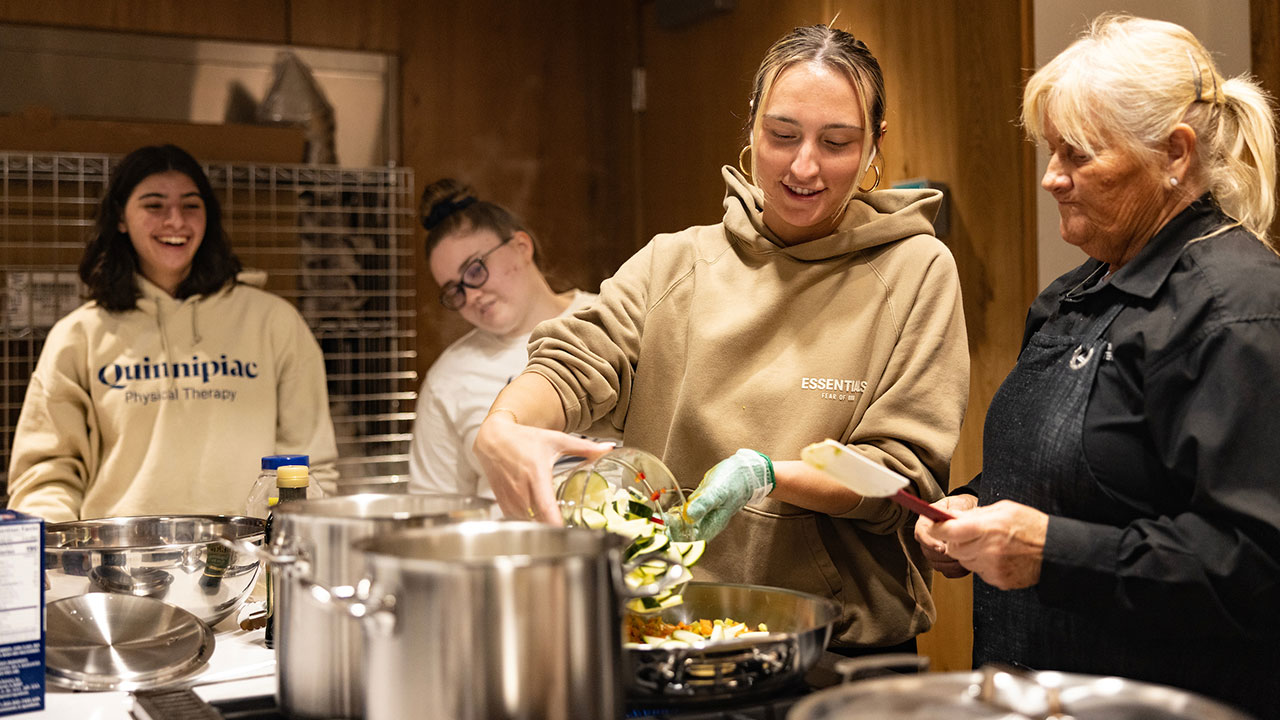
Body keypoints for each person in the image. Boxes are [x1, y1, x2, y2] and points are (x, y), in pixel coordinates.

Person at [473, 24, 970, 652]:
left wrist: (767, 475)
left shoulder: (915, 271)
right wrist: (506, 424)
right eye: (782, 135)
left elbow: (895, 481)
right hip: (673, 633)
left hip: (833, 646)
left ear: (875, 146)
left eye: (837, 142)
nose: (803, 166)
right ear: (752, 130)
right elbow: (573, 364)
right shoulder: (675, 263)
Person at [915, 15, 1280, 716]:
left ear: (1174, 154)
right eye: (1050, 152)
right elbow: (1087, 477)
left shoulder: (1238, 307)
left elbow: (1252, 566)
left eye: (1078, 154)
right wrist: (972, 508)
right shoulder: (1070, 297)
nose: (1052, 179)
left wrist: (1050, 552)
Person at [6, 144, 339, 523]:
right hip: (116, 570)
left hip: (250, 570)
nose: (176, 221)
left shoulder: (275, 322)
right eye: (154, 205)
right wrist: (48, 556)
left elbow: (310, 470)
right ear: (120, 217)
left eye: (191, 205)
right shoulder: (79, 335)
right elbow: (46, 475)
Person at [408, 178, 597, 502]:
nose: (471, 295)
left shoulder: (608, 322)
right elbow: (433, 505)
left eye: (475, 270)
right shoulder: (450, 376)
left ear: (521, 247)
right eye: (454, 289)